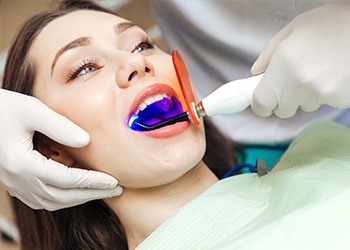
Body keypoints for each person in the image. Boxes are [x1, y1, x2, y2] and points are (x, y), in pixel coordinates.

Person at [3, 1, 350, 249]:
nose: (134, 61)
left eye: (142, 44)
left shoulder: (326, 148)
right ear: (52, 148)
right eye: (85, 68)